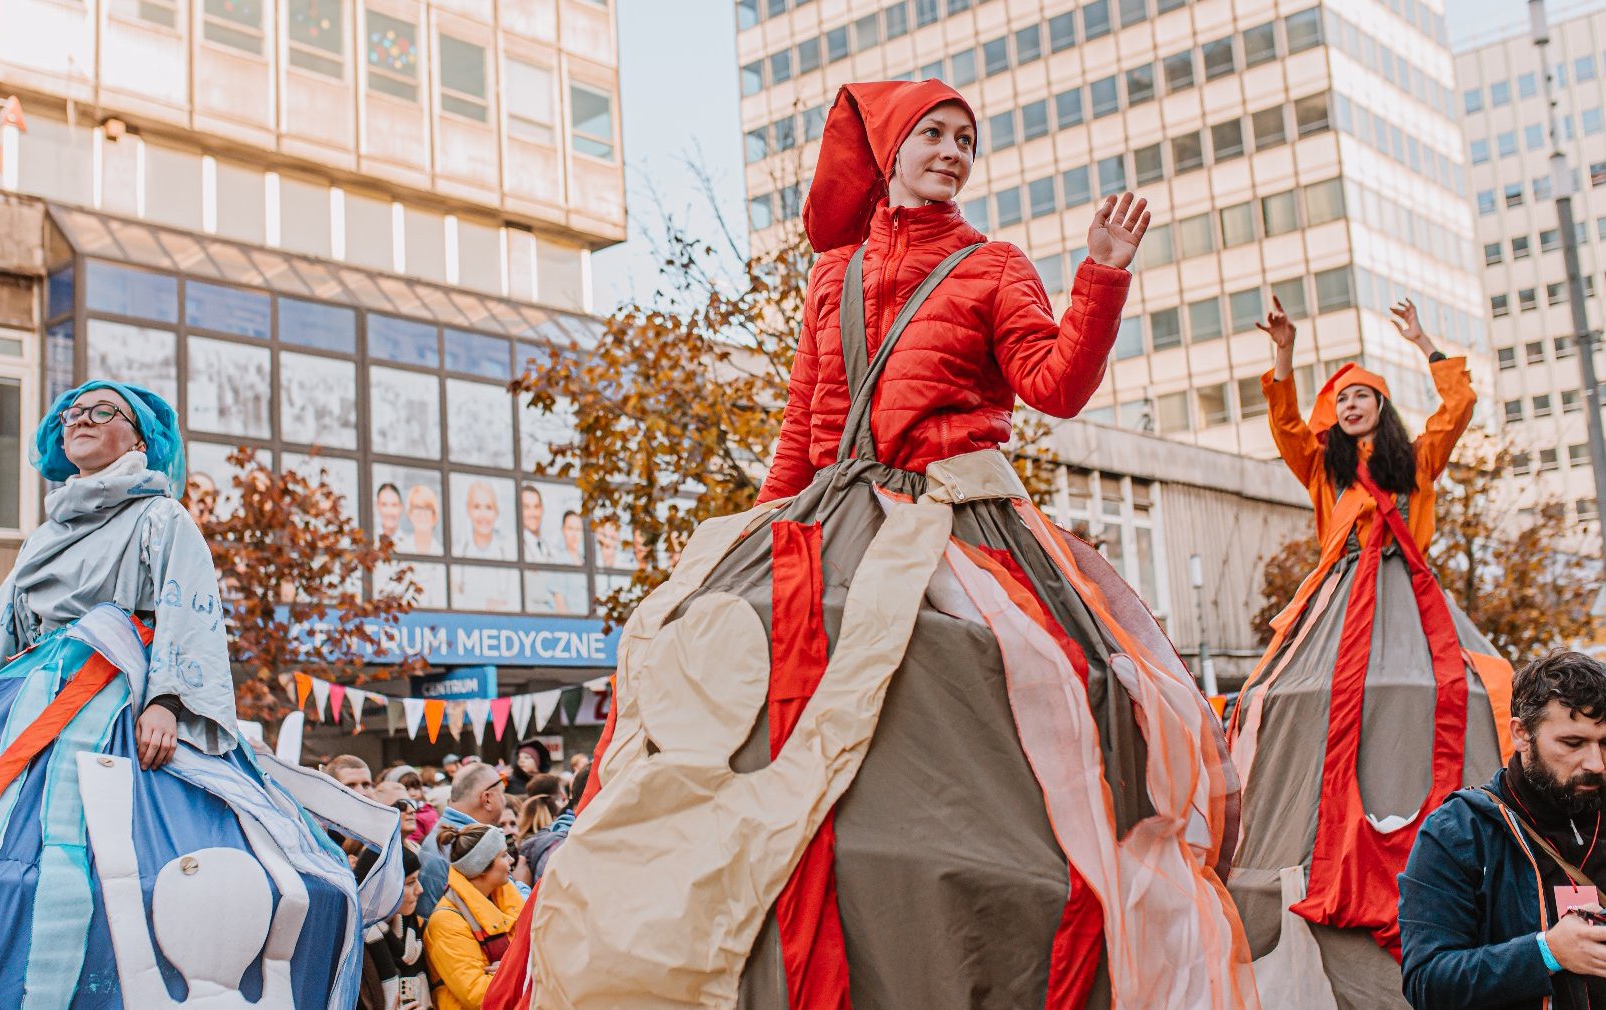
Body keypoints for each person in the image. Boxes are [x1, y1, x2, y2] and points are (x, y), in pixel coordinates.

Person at [491, 79, 1253, 1010]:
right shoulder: (832, 276)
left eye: (965, 139)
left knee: (1063, 679)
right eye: (932, 134)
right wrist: (749, 544)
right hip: (836, 515)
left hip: (960, 518)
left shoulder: (995, 264)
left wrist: (1101, 275)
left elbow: (1053, 386)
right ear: (890, 153)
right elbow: (806, 430)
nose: (951, 151)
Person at [0, 380, 385, 1008]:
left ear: (138, 438)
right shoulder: (42, 534)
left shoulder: (161, 517)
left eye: (100, 411)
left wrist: (167, 701)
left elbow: (186, 608)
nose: (79, 420)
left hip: (116, 696)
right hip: (24, 703)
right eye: (71, 414)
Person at [1227, 298, 1511, 1003]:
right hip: (1341, 588)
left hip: (1406, 589)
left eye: (1363, 396)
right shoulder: (1323, 471)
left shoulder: (1415, 462)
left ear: (1381, 409)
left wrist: (1424, 344)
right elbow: (1287, 425)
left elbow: (1459, 406)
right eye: (1343, 398)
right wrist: (1284, 355)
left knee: (1467, 685)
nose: (1352, 405)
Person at [1401, 651, 1606, 1010]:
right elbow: (1427, 983)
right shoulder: (1456, 833)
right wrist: (1545, 952)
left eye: (1605, 744)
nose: (1595, 763)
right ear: (1521, 733)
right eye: (1572, 744)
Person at [425, 824, 523, 1010]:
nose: (511, 860)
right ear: (481, 867)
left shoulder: (506, 899)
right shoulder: (446, 921)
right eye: (503, 855)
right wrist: (518, 970)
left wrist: (508, 968)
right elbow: (477, 994)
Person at [418, 763, 505, 919]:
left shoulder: (443, 833)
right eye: (503, 793)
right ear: (487, 799)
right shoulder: (471, 844)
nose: (505, 801)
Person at [356, 843, 433, 1010]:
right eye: (411, 882)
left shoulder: (412, 927)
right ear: (384, 889)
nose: (420, 890)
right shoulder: (354, 943)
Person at [453, 482, 511, 560]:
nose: (483, 514)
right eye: (476, 507)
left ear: (496, 512)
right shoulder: (457, 552)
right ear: (468, 510)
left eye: (489, 507)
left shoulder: (510, 552)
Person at [405, 484, 443, 554]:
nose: (422, 514)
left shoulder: (441, 552)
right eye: (417, 507)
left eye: (427, 508)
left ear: (434, 516)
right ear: (409, 514)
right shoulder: (400, 548)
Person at [519, 486, 552, 562]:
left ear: (542, 509)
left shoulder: (548, 547)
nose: (532, 513)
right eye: (526, 507)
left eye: (536, 507)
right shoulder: (513, 547)